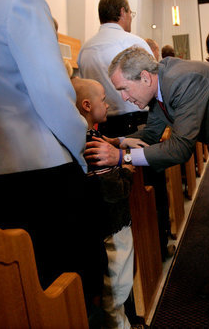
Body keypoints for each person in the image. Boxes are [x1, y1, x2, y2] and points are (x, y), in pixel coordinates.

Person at [85, 46, 209, 317]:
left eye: (124, 89)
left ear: (145, 77)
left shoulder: (183, 80)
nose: (123, 98)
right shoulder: (159, 87)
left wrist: (122, 158)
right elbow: (154, 132)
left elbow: (180, 149)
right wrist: (118, 141)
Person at [0, 0, 104, 310]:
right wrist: (82, 152)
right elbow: (53, 96)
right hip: (34, 178)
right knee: (61, 293)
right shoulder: (19, 1)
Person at [72, 77, 135, 329]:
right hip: (112, 225)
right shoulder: (91, 142)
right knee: (116, 286)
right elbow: (110, 188)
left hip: (112, 222)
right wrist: (127, 171)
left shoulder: (91, 135)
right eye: (103, 100)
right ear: (87, 106)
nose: (108, 104)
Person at [78, 0, 153, 138]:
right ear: (122, 12)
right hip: (136, 123)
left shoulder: (84, 49)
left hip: (102, 126)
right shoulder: (134, 42)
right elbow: (154, 84)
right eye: (131, 13)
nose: (131, 18)